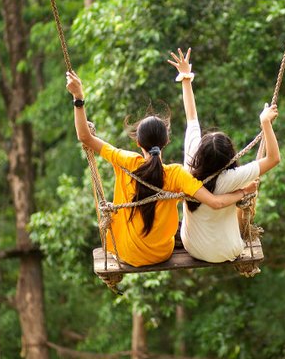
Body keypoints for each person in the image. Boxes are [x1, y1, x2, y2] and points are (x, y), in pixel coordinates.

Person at [66, 70, 257, 267]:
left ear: (138, 142)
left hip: (127, 253)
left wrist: (78, 98)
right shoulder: (176, 174)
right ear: (166, 141)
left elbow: (85, 137)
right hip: (161, 254)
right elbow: (215, 203)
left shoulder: (126, 161)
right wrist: (242, 192)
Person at [167, 47, 281, 263]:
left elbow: (191, 116)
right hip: (230, 250)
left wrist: (186, 77)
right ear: (230, 157)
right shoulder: (235, 177)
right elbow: (274, 159)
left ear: (200, 153)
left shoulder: (189, 167)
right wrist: (265, 123)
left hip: (194, 248)